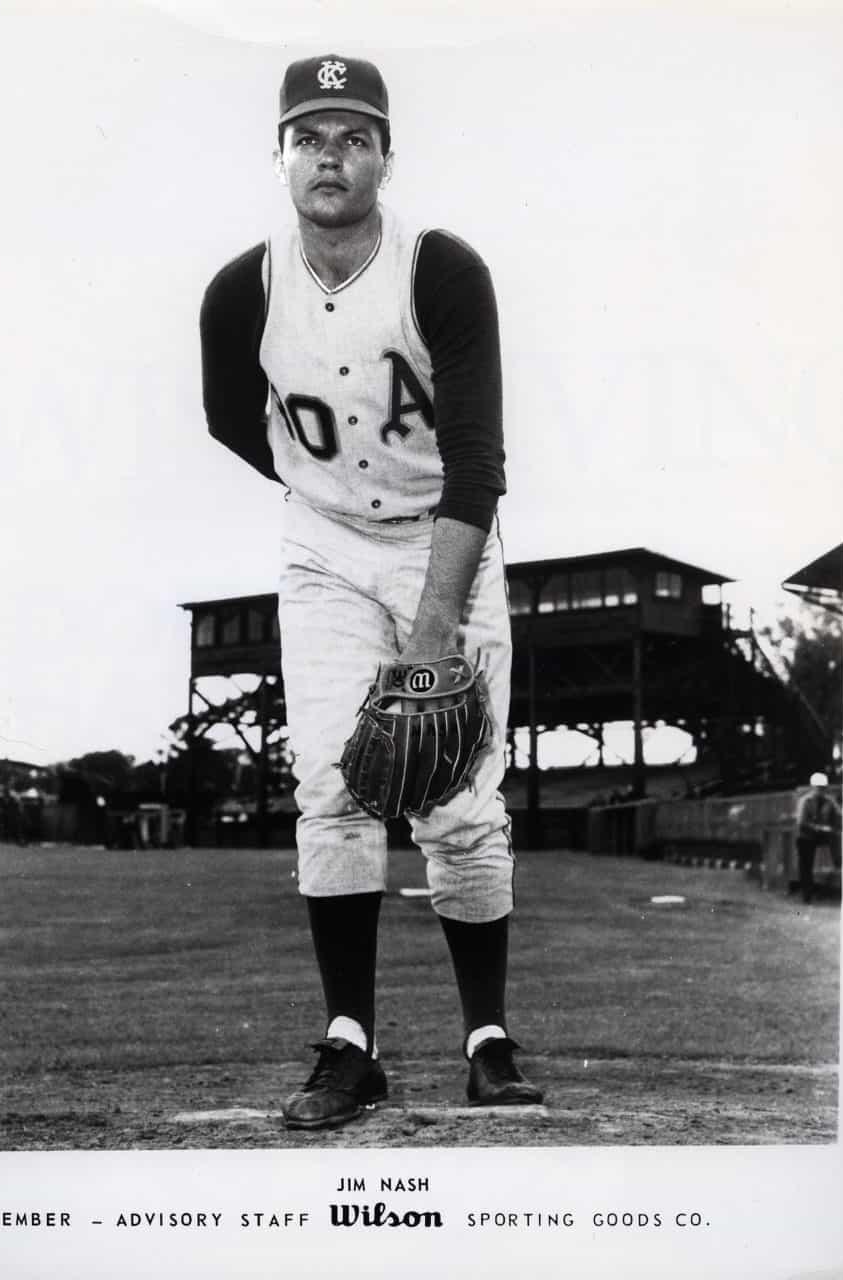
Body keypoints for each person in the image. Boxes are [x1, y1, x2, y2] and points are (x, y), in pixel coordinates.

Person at [200, 53, 543, 1129]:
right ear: (281, 157)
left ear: (386, 156)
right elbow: (229, 421)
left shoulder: (438, 269)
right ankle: (351, 1043)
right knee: (330, 785)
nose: (330, 157)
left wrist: (434, 628)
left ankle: (486, 1034)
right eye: (310, 137)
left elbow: (480, 460)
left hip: (449, 533)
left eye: (352, 136)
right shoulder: (240, 291)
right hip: (327, 547)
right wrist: (326, 497)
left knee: (460, 799)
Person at [794, 772, 842, 904]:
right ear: (813, 787)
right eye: (818, 787)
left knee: (836, 835)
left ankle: (838, 860)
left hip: (822, 835)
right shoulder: (805, 801)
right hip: (806, 835)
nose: (821, 790)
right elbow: (802, 822)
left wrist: (836, 825)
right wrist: (820, 828)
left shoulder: (829, 801)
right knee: (805, 864)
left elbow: (839, 815)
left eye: (823, 787)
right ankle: (806, 894)